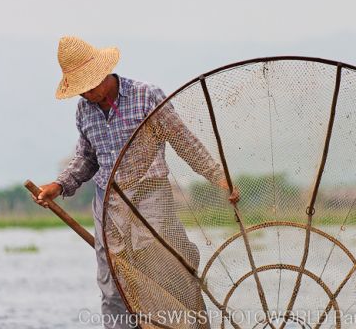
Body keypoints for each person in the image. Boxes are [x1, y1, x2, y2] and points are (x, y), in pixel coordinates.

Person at [33, 36, 238, 329]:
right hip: (109, 204)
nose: (89, 94)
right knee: (113, 283)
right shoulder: (84, 110)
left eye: (91, 85)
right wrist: (59, 185)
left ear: (104, 73)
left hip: (149, 195)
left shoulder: (145, 96)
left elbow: (183, 140)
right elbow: (87, 158)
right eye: (82, 90)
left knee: (166, 270)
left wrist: (218, 177)